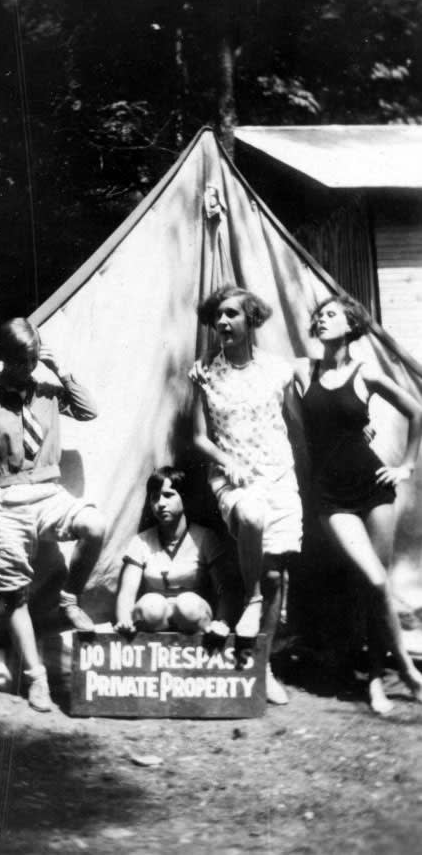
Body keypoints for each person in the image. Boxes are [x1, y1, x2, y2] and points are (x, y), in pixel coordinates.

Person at [0, 317, 105, 712]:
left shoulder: (46, 391)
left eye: (34, 361)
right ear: (2, 358)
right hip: (4, 500)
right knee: (14, 594)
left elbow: (89, 411)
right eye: (20, 362)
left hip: (47, 493)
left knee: (94, 524)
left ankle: (69, 597)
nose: (28, 370)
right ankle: (36, 679)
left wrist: (62, 371)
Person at [295, 294, 422, 714]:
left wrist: (405, 466)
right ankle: (405, 668)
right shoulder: (303, 369)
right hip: (330, 497)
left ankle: (374, 682)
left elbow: (416, 411)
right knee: (371, 580)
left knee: (376, 586)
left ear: (351, 325)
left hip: (372, 488)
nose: (322, 319)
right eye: (319, 315)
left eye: (331, 314)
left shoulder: (366, 374)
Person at [191, 284, 303, 705]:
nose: (223, 322)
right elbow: (197, 436)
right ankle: (252, 600)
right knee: (252, 517)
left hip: (279, 477)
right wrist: (227, 459)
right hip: (232, 479)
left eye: (232, 314)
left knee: (276, 572)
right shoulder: (203, 373)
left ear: (251, 320)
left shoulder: (279, 370)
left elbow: (295, 421)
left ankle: (263, 666)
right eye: (218, 316)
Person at [114, 467, 229, 635]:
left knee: (187, 605)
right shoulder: (141, 541)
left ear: (185, 498)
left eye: (168, 495)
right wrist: (123, 621)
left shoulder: (205, 538)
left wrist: (222, 622)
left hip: (193, 619)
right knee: (151, 605)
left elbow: (225, 589)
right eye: (154, 498)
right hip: (154, 620)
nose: (160, 504)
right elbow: (127, 592)